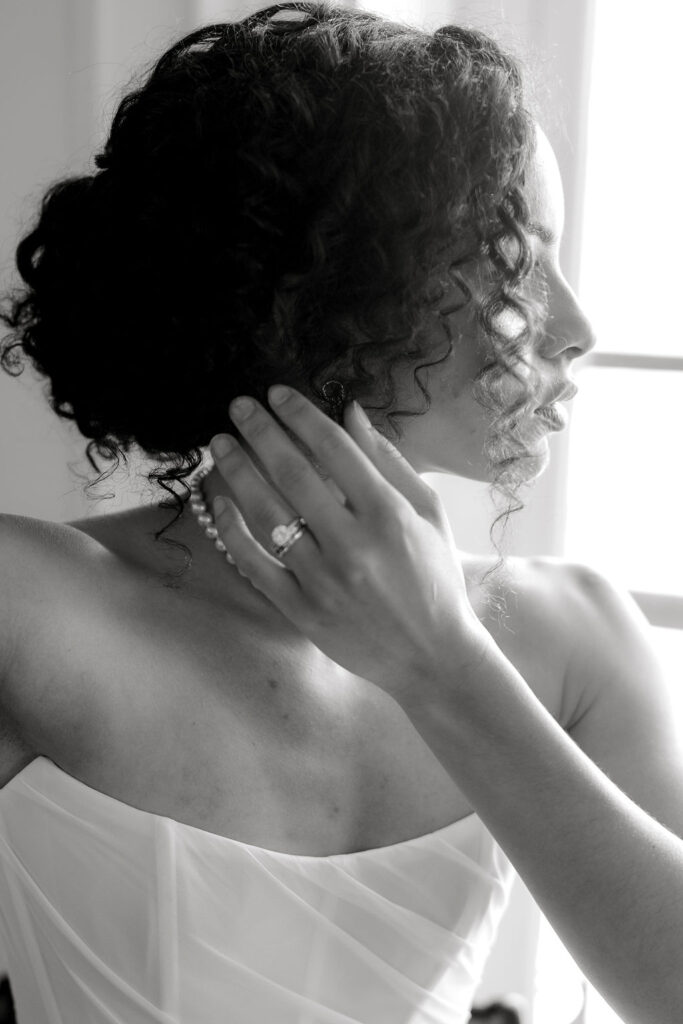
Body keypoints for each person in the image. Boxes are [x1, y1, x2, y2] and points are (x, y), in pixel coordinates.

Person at [0, 3, 681, 1023]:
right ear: (322, 292)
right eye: (510, 258)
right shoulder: (27, 605)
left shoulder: (577, 643)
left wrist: (441, 658)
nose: (574, 326)